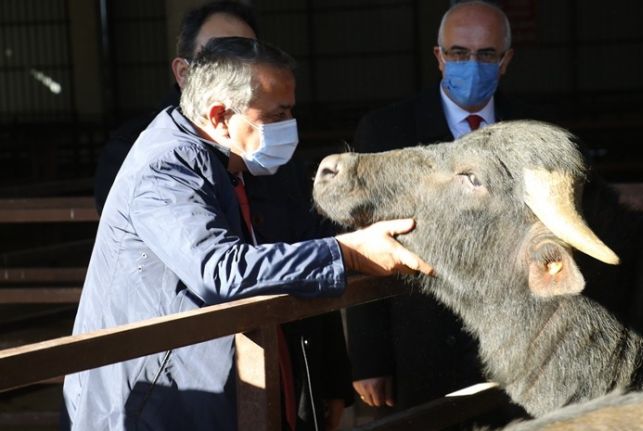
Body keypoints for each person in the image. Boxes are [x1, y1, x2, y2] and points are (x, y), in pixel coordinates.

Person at [62, 36, 433, 431]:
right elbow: (221, 270)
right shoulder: (166, 168)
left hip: (192, 386)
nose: (290, 128)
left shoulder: (220, 160)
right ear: (220, 116)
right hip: (153, 403)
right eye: (276, 115)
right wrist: (347, 254)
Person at [346, 0, 534, 412]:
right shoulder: (386, 131)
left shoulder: (536, 130)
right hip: (420, 340)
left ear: (506, 61)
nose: (473, 64)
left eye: (486, 54)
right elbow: (363, 242)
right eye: (459, 53)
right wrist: (369, 358)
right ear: (439, 57)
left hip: (517, 344)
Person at [94, 0, 258, 213]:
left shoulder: (266, 143)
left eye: (250, 59)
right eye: (221, 60)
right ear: (183, 72)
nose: (238, 73)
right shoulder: (134, 149)